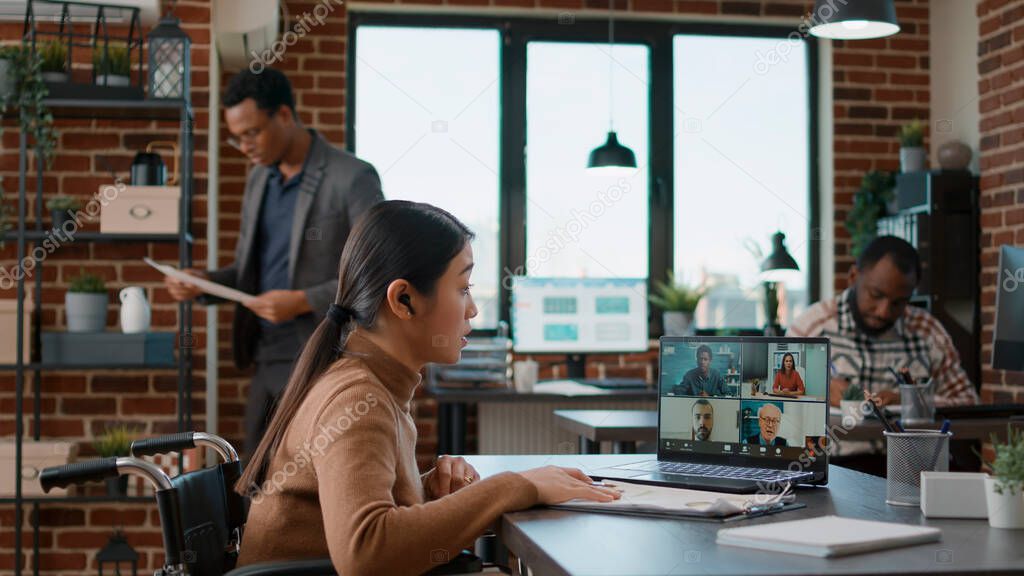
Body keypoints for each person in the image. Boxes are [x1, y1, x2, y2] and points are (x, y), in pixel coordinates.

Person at [233, 201, 620, 574]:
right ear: (404, 300)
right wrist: (515, 487)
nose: (473, 310)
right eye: (463, 288)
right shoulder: (359, 400)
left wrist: (427, 492)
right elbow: (367, 555)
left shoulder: (372, 386)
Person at [163, 68, 383, 456]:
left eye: (251, 132)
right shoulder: (258, 181)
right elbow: (248, 274)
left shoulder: (352, 177)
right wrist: (204, 283)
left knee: (311, 479)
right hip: (266, 357)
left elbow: (377, 270)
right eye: (237, 136)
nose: (244, 145)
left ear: (284, 115)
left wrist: (302, 300)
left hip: (325, 356)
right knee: (258, 480)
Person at [788, 236, 977, 409]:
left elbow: (968, 403)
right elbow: (775, 404)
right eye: (876, 295)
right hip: (835, 446)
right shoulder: (810, 328)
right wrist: (818, 391)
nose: (884, 312)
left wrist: (909, 399)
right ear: (853, 278)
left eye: (899, 302)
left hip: (907, 447)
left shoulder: (927, 331)